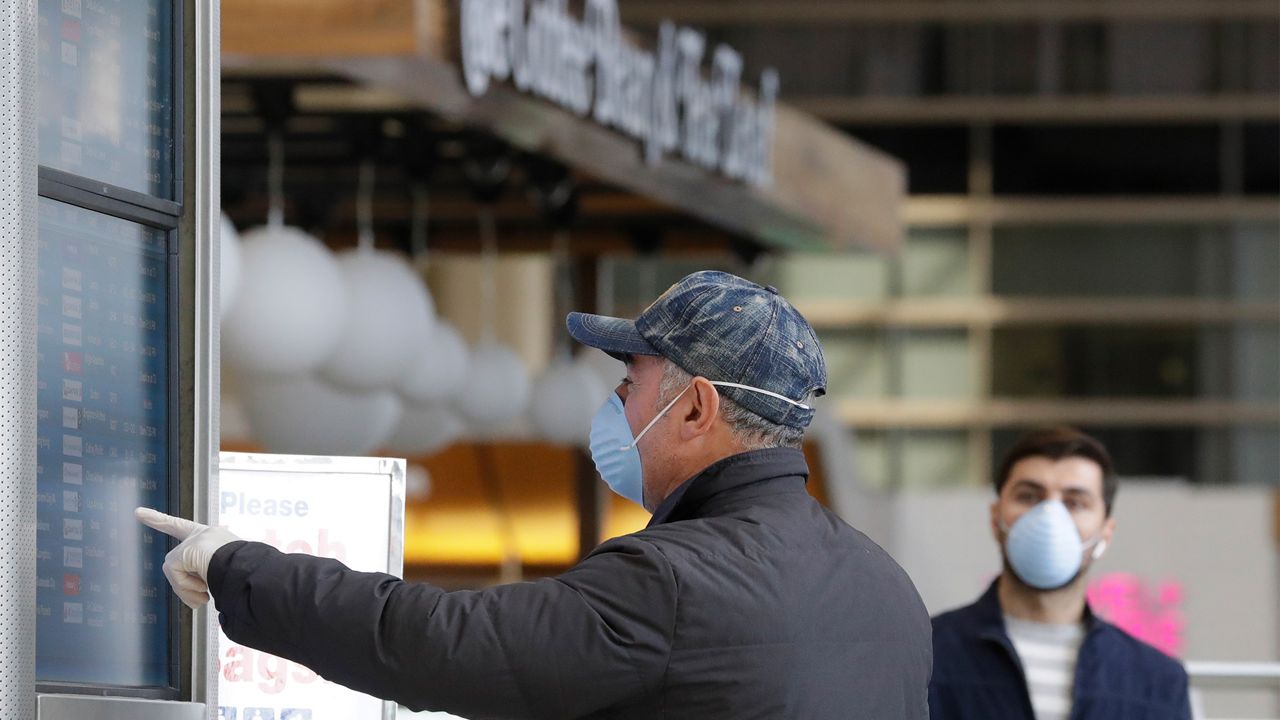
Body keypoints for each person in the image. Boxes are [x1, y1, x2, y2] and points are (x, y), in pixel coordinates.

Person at [138, 270, 932, 719]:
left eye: (630, 383)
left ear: (696, 408)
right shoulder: (886, 589)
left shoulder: (674, 583)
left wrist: (236, 565)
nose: (617, 406)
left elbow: (432, 643)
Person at [928, 427, 1192, 720]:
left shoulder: (1156, 682)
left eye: (1075, 502)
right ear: (995, 518)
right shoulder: (928, 657)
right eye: (1028, 496)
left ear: (1106, 532)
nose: (1050, 516)